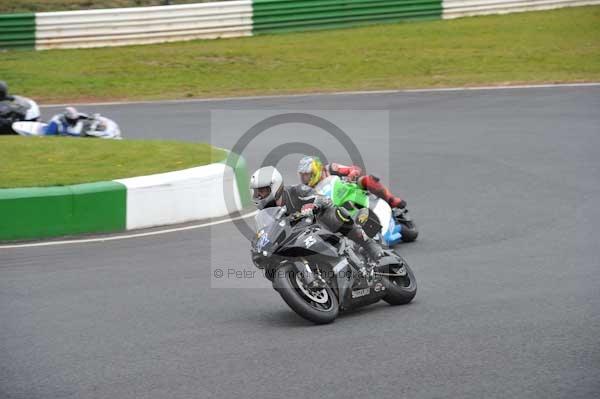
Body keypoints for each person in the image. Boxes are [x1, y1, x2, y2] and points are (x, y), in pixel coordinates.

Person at [250, 166, 383, 263]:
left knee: (337, 214)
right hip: (295, 239)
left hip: (319, 225)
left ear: (275, 186)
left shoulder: (296, 190)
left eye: (262, 191)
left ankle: (368, 244)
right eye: (257, 192)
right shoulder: (263, 214)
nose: (259, 195)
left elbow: (320, 197)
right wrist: (258, 248)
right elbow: (264, 233)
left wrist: (312, 205)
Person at [297, 155, 406, 209]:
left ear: (315, 172)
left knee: (365, 180)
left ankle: (391, 199)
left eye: (306, 174)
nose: (304, 178)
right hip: (331, 204)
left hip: (347, 190)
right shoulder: (305, 189)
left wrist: (351, 174)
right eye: (302, 175)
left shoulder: (331, 168)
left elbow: (354, 169)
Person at [45, 107, 121, 139]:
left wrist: (96, 119)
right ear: (66, 118)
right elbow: (48, 136)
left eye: (76, 119)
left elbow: (87, 116)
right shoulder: (56, 122)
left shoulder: (77, 116)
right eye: (72, 120)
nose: (74, 121)